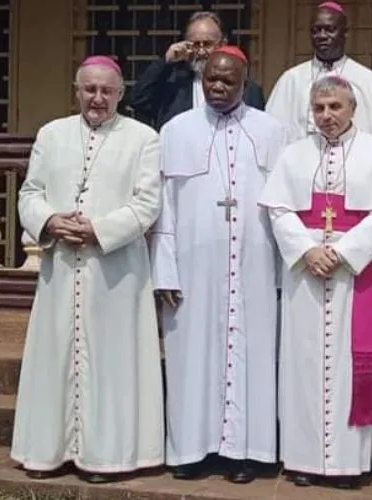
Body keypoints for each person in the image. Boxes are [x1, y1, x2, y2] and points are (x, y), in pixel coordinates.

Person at [11, 55, 164, 484]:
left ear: (121, 94)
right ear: (76, 90)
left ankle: (106, 457)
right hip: (61, 267)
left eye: (107, 91)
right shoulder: (52, 134)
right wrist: (49, 221)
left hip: (114, 274)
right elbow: (30, 191)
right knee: (55, 358)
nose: (98, 98)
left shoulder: (143, 139)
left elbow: (148, 203)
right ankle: (47, 452)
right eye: (89, 89)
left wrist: (100, 230)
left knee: (112, 364)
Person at [150, 46, 286, 483]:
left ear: (245, 83)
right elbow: (164, 209)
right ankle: (191, 449)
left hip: (256, 265)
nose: (219, 87)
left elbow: (285, 204)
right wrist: (164, 270)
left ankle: (248, 452)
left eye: (228, 81)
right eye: (211, 80)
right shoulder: (174, 131)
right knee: (193, 355)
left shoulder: (272, 131)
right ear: (201, 79)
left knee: (254, 354)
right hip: (193, 268)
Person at [258, 75, 372, 489]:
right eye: (319, 108)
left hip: (356, 275)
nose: (327, 116)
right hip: (307, 273)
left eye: (335, 107)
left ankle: (346, 463)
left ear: (354, 109)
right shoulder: (293, 155)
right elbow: (278, 210)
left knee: (350, 364)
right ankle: (303, 459)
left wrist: (342, 252)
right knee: (302, 362)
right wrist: (307, 250)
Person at [265, 1, 372, 142]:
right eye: (316, 30)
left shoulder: (368, 80)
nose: (322, 36)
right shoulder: (292, 79)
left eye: (330, 29)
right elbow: (273, 134)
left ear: (345, 32)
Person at [131, 11, 265, 130]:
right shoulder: (173, 85)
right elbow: (138, 99)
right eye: (195, 44)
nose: (201, 51)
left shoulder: (247, 89)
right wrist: (166, 61)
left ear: (223, 44)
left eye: (207, 44)